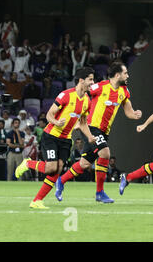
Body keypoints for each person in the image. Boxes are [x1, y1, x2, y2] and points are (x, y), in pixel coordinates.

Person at [55, 62, 142, 203]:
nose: (128, 76)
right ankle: (99, 193)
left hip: (104, 131)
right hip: (91, 127)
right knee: (105, 153)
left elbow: (129, 112)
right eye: (125, 73)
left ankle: (61, 180)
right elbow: (80, 92)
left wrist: (135, 114)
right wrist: (77, 117)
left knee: (84, 164)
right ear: (117, 75)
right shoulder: (100, 87)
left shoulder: (124, 91)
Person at [14, 68, 95, 209]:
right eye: (90, 79)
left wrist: (89, 137)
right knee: (51, 167)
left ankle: (37, 200)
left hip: (65, 140)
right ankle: (28, 164)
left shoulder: (87, 101)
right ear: (81, 80)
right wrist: (56, 122)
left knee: (57, 170)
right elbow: (49, 115)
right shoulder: (65, 95)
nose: (92, 83)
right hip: (51, 136)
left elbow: (82, 123)